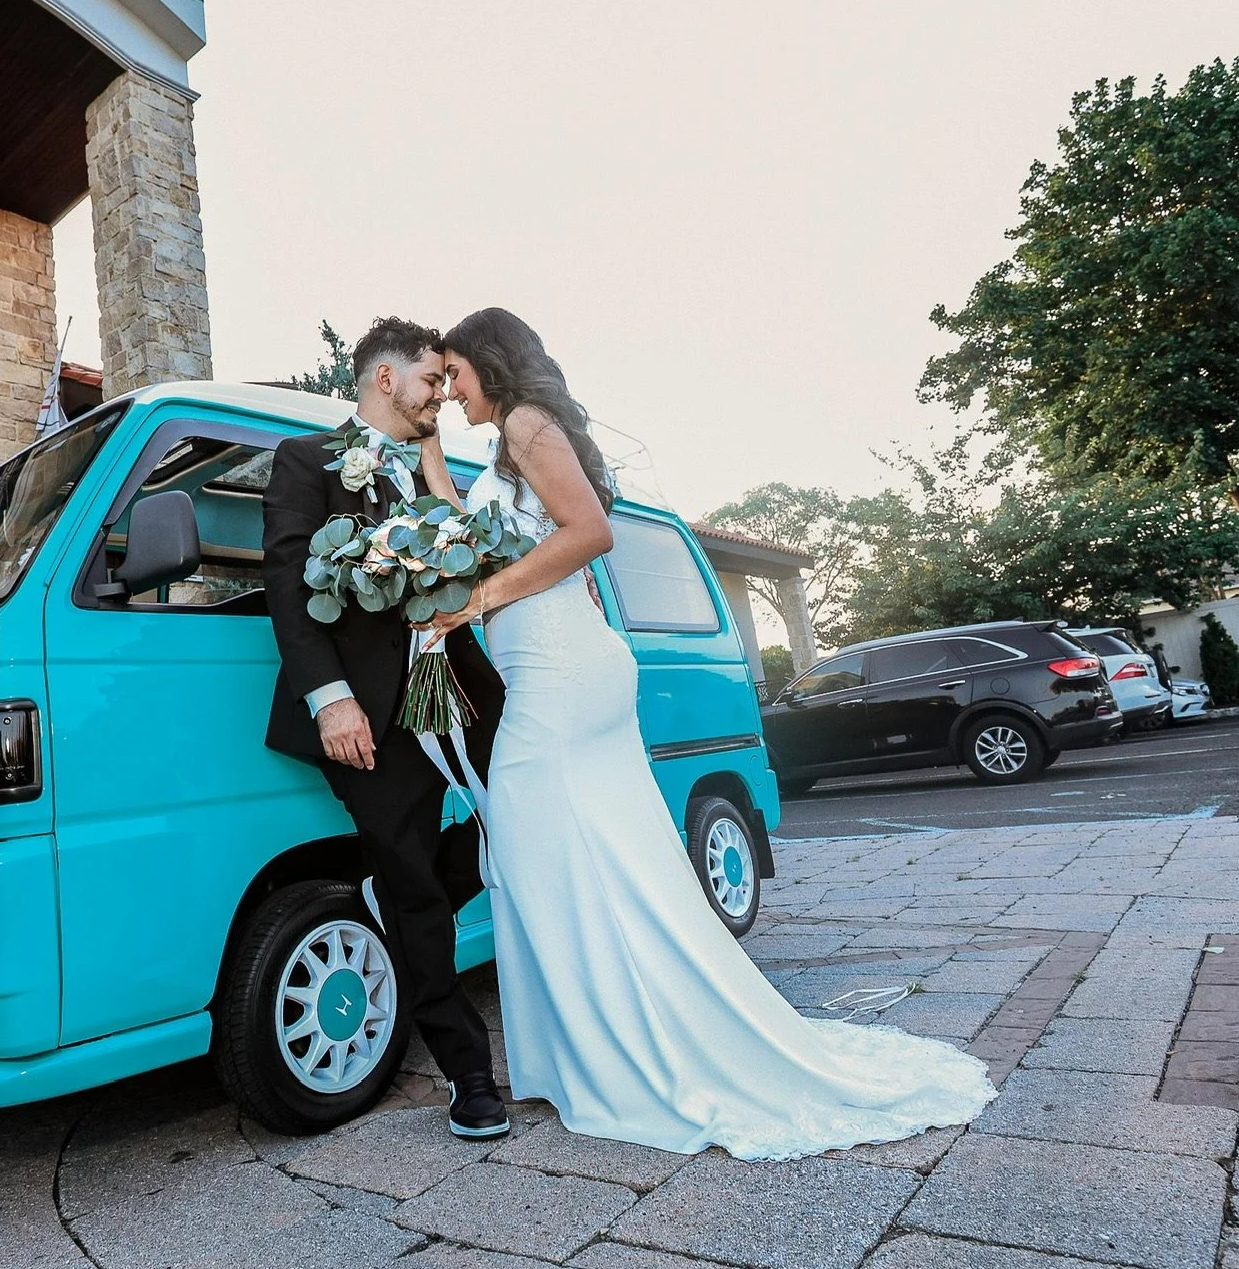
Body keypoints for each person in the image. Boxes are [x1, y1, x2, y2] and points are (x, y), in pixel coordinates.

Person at [422, 307, 997, 1159]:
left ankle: (608, 1051)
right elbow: (476, 537)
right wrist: (430, 453)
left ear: (485, 362)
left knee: (532, 845)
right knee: (584, 858)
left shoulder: (528, 422)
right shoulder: (503, 442)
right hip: (562, 669)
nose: (450, 387)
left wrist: (482, 599)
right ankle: (586, 1047)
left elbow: (590, 533)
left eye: (454, 372)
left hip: (561, 674)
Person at [261, 318, 514, 1141]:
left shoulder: (430, 466)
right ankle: (469, 1072)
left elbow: (478, 570)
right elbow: (291, 590)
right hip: (371, 712)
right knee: (408, 879)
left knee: (516, 818)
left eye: (445, 382)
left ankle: (415, 903)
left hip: (466, 692)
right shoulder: (308, 463)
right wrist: (329, 698)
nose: (441, 393)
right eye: (431, 379)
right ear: (384, 379)